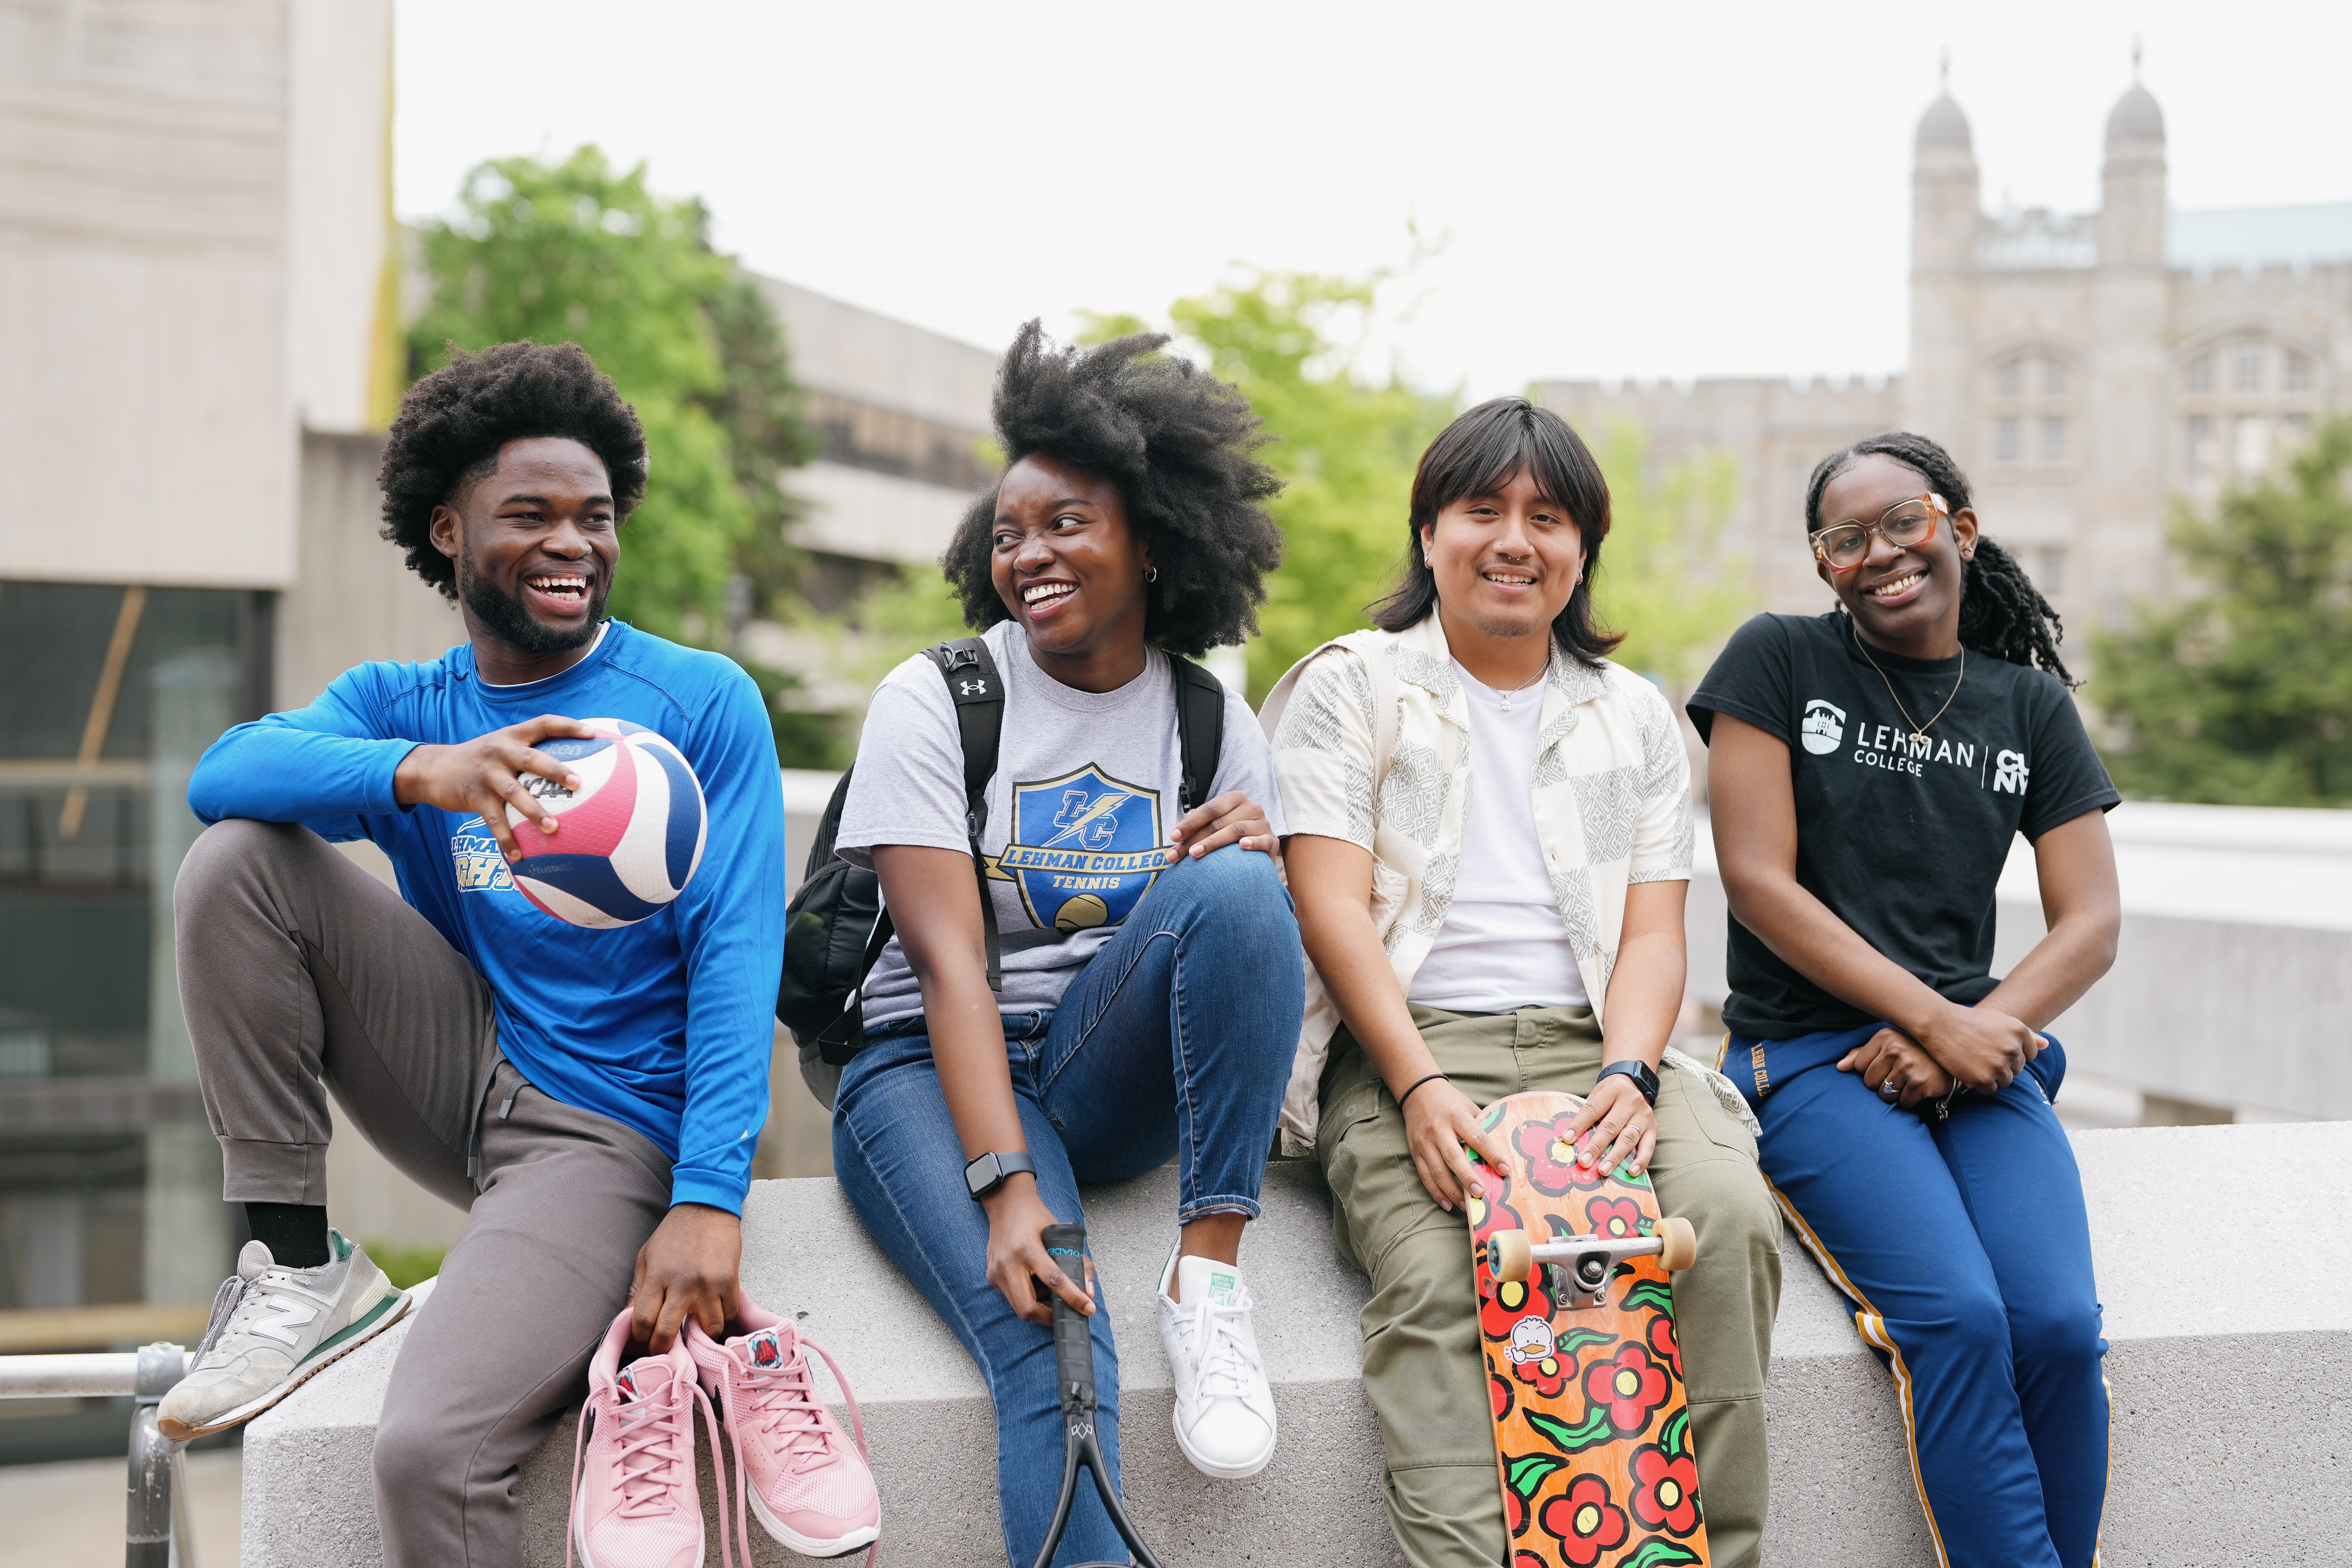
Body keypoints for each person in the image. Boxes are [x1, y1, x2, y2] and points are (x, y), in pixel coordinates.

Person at [161, 342, 876, 1566]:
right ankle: (294, 1269)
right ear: (447, 529)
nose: (572, 544)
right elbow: (220, 774)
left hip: (602, 1133)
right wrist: (423, 773)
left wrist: (707, 1196)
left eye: (595, 518)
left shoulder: (699, 701)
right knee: (237, 862)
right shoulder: (411, 703)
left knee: (428, 1451)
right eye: (529, 514)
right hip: (463, 1060)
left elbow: (736, 959)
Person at [1270, 397, 1784, 1568]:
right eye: (1482, 510)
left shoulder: (1635, 713)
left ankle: (1713, 1553)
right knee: (1437, 1275)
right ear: (1428, 531)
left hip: (1595, 1040)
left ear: (1581, 550)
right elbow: (1329, 907)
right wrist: (1412, 1085)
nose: (1515, 539)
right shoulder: (1354, 685)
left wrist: (1632, 1073)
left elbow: (1656, 935)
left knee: (1722, 1220)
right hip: (1411, 1041)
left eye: (1547, 517)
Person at [829, 322, 1303, 1568]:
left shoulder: (1207, 714)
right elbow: (947, 968)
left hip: (1102, 1065)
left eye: (1065, 523)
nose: (1028, 553)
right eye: (1008, 531)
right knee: (1050, 1328)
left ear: (1153, 537)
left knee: (1249, 887)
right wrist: (1008, 1185)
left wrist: (1266, 846)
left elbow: (1241, 951)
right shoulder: (938, 697)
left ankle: (1210, 1281)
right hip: (928, 1070)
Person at [1689, 431, 2122, 1568]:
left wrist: (1968, 1036)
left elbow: (2089, 921)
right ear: (1823, 563)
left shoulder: (2026, 706)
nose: (1877, 551)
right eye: (1843, 538)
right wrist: (1935, 1021)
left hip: (1973, 1062)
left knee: (2060, 1329)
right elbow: (1757, 882)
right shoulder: (1777, 661)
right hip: (1815, 1066)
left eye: (1903, 521)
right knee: (1961, 1321)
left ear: (1959, 529)